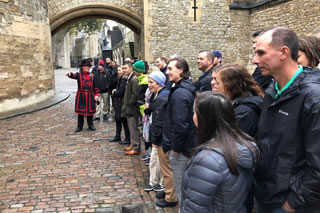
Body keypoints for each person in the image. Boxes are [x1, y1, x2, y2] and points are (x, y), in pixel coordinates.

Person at [252, 27, 320, 213]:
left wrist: (292, 204)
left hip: (293, 204)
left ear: (284, 53)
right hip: (267, 195)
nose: (254, 60)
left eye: (261, 53)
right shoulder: (273, 90)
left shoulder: (313, 97)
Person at [180, 91, 259, 213]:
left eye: (195, 112)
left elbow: (195, 208)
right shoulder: (245, 144)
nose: (193, 115)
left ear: (204, 118)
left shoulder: (207, 160)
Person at [162, 57, 196, 205]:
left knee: (182, 188)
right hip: (187, 145)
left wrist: (175, 147)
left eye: (170, 69)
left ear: (181, 70)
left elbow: (181, 124)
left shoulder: (180, 93)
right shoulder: (183, 89)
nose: (167, 72)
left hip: (182, 149)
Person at [212, 64, 263, 139]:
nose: (213, 83)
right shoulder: (234, 104)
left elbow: (233, 142)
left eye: (217, 82)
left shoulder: (244, 112)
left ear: (229, 85)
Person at [144, 71, 169, 193]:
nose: (149, 85)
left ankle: (160, 183)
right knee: (155, 160)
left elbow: (160, 119)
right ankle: (153, 182)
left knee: (159, 160)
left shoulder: (163, 96)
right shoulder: (157, 95)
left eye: (151, 82)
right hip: (158, 133)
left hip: (161, 135)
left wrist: (155, 137)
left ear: (159, 83)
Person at [66, 59, 99, 132]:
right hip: (81, 95)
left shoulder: (92, 75)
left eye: (88, 66)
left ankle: (90, 125)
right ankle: (79, 126)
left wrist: (96, 94)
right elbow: (73, 75)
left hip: (90, 95)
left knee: (90, 112)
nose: (87, 67)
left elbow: (95, 86)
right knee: (80, 112)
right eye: (85, 66)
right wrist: (69, 74)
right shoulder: (79, 75)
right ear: (82, 67)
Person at [121, 62, 141, 155]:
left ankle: (136, 147)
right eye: (123, 68)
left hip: (132, 108)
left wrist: (129, 104)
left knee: (133, 127)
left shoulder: (134, 79)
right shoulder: (129, 79)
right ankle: (133, 144)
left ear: (131, 69)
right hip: (129, 107)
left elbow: (135, 94)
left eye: (125, 68)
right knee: (131, 127)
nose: (124, 70)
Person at [110, 66, 130, 144]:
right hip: (117, 102)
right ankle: (117, 136)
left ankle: (127, 138)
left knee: (123, 120)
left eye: (120, 70)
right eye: (118, 70)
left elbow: (121, 92)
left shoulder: (123, 79)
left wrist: (115, 92)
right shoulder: (120, 78)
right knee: (118, 119)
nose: (119, 71)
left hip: (121, 102)